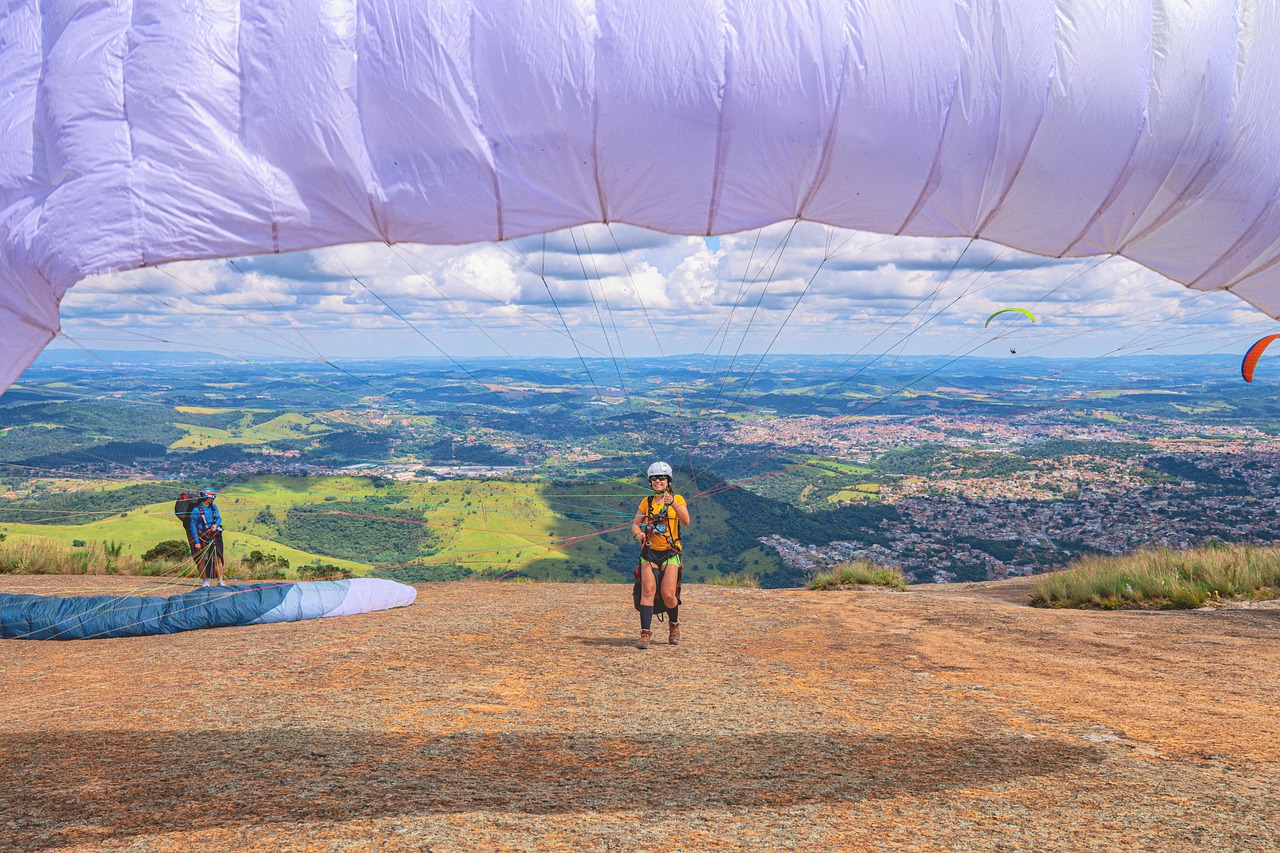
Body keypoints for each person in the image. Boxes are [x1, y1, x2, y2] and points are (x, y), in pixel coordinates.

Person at [630, 461, 690, 649]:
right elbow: (635, 524)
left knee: (668, 594)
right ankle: (645, 634)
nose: (658, 481)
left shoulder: (677, 499)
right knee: (647, 590)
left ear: (668, 480)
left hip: (670, 551)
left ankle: (674, 625)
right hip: (649, 552)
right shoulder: (646, 502)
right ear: (650, 481)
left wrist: (672, 503)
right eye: (654, 478)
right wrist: (637, 533)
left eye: (661, 478)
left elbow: (686, 521)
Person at [188, 487, 225, 587]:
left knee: (218, 558)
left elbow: (219, 518)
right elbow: (192, 526)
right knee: (203, 559)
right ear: (207, 498)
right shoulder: (196, 511)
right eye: (212, 497)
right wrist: (196, 542)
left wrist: (216, 525)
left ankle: (220, 580)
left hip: (215, 536)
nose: (213, 499)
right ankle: (205, 581)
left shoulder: (214, 507)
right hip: (203, 538)